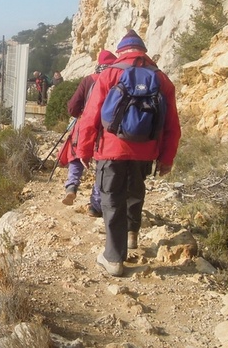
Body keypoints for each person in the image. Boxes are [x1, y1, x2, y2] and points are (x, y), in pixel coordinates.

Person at [76, 30, 181, 277]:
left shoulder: (110, 73)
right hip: (146, 150)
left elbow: (91, 116)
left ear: (121, 51)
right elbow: (172, 125)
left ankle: (113, 258)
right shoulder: (162, 79)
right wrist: (166, 159)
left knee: (111, 198)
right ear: (143, 52)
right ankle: (132, 235)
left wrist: (84, 149)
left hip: (112, 149)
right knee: (135, 191)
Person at [59, 50, 117, 217]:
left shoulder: (89, 80)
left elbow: (72, 108)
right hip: (107, 129)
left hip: (85, 123)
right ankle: (95, 205)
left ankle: (71, 186)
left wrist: (80, 113)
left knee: (76, 155)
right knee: (101, 165)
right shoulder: (117, 79)